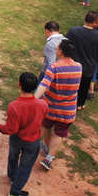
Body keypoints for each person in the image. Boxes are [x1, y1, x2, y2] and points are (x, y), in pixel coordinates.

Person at [0, 72, 47, 196]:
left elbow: (11, 129)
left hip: (16, 138)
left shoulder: (13, 106)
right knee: (26, 165)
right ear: (36, 87)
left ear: (19, 85)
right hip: (33, 140)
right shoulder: (43, 105)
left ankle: (12, 176)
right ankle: (15, 191)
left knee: (13, 156)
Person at [35, 39, 82, 171]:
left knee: (46, 126)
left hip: (50, 107)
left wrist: (33, 99)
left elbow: (44, 85)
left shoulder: (54, 67)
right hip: (68, 110)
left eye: (57, 48)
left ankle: (44, 146)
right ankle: (49, 158)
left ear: (60, 51)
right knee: (60, 133)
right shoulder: (79, 66)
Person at [66, 11, 98, 110]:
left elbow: (65, 44)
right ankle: (80, 104)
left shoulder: (73, 31)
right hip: (88, 67)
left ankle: (67, 101)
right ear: (94, 22)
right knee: (83, 87)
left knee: (70, 85)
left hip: (72, 65)